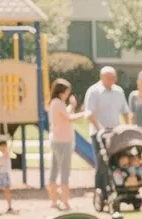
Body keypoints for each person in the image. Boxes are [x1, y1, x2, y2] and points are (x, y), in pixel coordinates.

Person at [83, 66, 129, 192]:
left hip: (116, 133)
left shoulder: (119, 91)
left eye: (114, 78)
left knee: (118, 162)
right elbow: (89, 113)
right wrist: (100, 129)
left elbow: (125, 111)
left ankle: (118, 187)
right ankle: (101, 191)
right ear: (102, 78)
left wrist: (127, 126)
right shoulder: (94, 91)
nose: (112, 80)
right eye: (109, 78)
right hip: (99, 134)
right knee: (102, 163)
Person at [46, 78, 84, 210]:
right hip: (63, 141)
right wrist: (83, 114)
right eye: (67, 92)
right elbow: (68, 118)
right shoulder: (58, 103)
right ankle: (65, 201)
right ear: (62, 92)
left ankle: (54, 201)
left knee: (55, 169)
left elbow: (64, 115)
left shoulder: (56, 103)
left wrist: (72, 107)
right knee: (64, 171)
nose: (68, 94)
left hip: (57, 140)